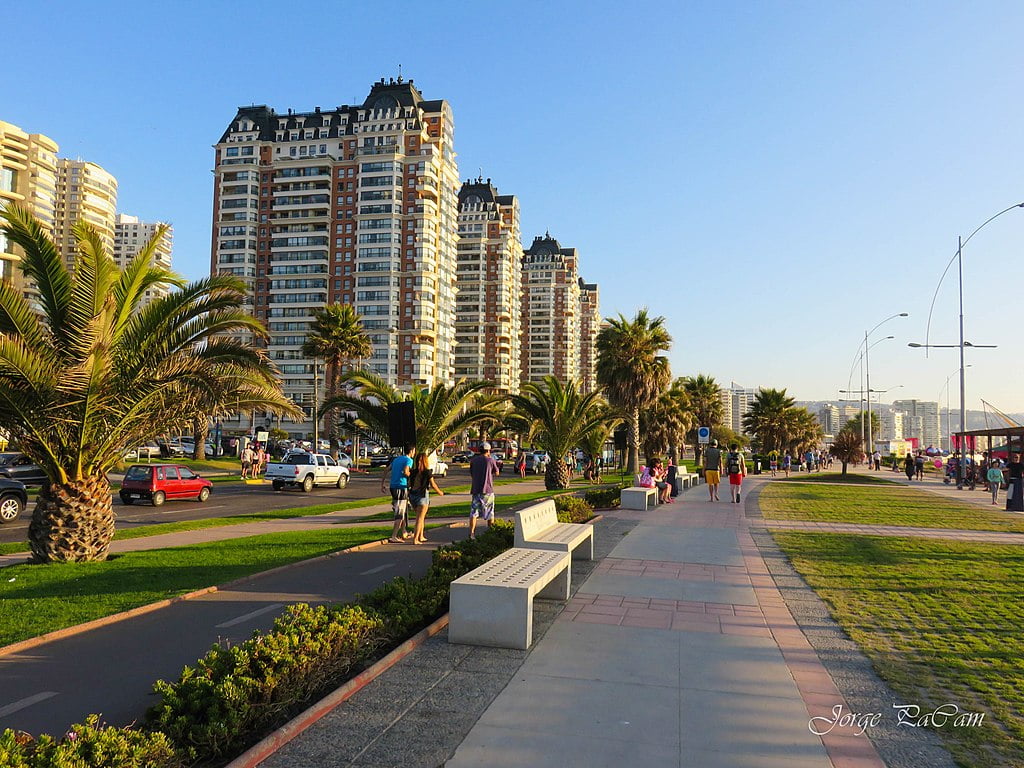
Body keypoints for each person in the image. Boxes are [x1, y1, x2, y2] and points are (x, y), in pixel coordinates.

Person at [408, 451, 444, 544]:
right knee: (419, 518)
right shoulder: (427, 472)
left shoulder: (413, 472)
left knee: (421, 517)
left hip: (412, 495)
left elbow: (409, 483)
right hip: (422, 496)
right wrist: (440, 492)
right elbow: (433, 484)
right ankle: (415, 539)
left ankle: (421, 536)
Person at [382, 445, 415, 543]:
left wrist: (383, 483)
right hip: (401, 487)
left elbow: (386, 469)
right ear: (412, 451)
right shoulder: (409, 460)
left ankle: (404, 531)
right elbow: (406, 471)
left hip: (393, 486)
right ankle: (394, 536)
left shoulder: (396, 459)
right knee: (400, 512)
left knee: (403, 510)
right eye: (414, 451)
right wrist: (412, 476)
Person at [469, 441, 500, 539]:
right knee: (490, 512)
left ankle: (472, 533)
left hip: (475, 489)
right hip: (487, 490)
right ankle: (491, 533)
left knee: (474, 512)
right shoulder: (490, 460)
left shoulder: (473, 461)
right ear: (488, 451)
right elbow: (497, 472)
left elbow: (471, 473)